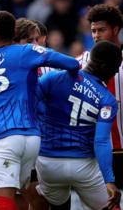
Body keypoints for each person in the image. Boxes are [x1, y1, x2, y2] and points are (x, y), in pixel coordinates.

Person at [0, 11, 80, 210]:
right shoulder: (27, 51)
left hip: (2, 138)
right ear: (13, 32)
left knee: (2, 198)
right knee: (21, 194)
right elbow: (72, 64)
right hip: (32, 139)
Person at [36, 40, 122, 209]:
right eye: (115, 67)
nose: (114, 73)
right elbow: (101, 141)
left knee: (58, 205)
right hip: (83, 166)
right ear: (104, 66)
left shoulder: (53, 78)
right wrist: (109, 181)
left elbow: (28, 107)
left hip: (48, 162)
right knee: (111, 205)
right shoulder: (107, 99)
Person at [77, 4, 123, 206]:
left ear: (116, 29)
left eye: (101, 30)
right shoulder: (79, 63)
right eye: (93, 30)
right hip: (94, 151)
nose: (96, 35)